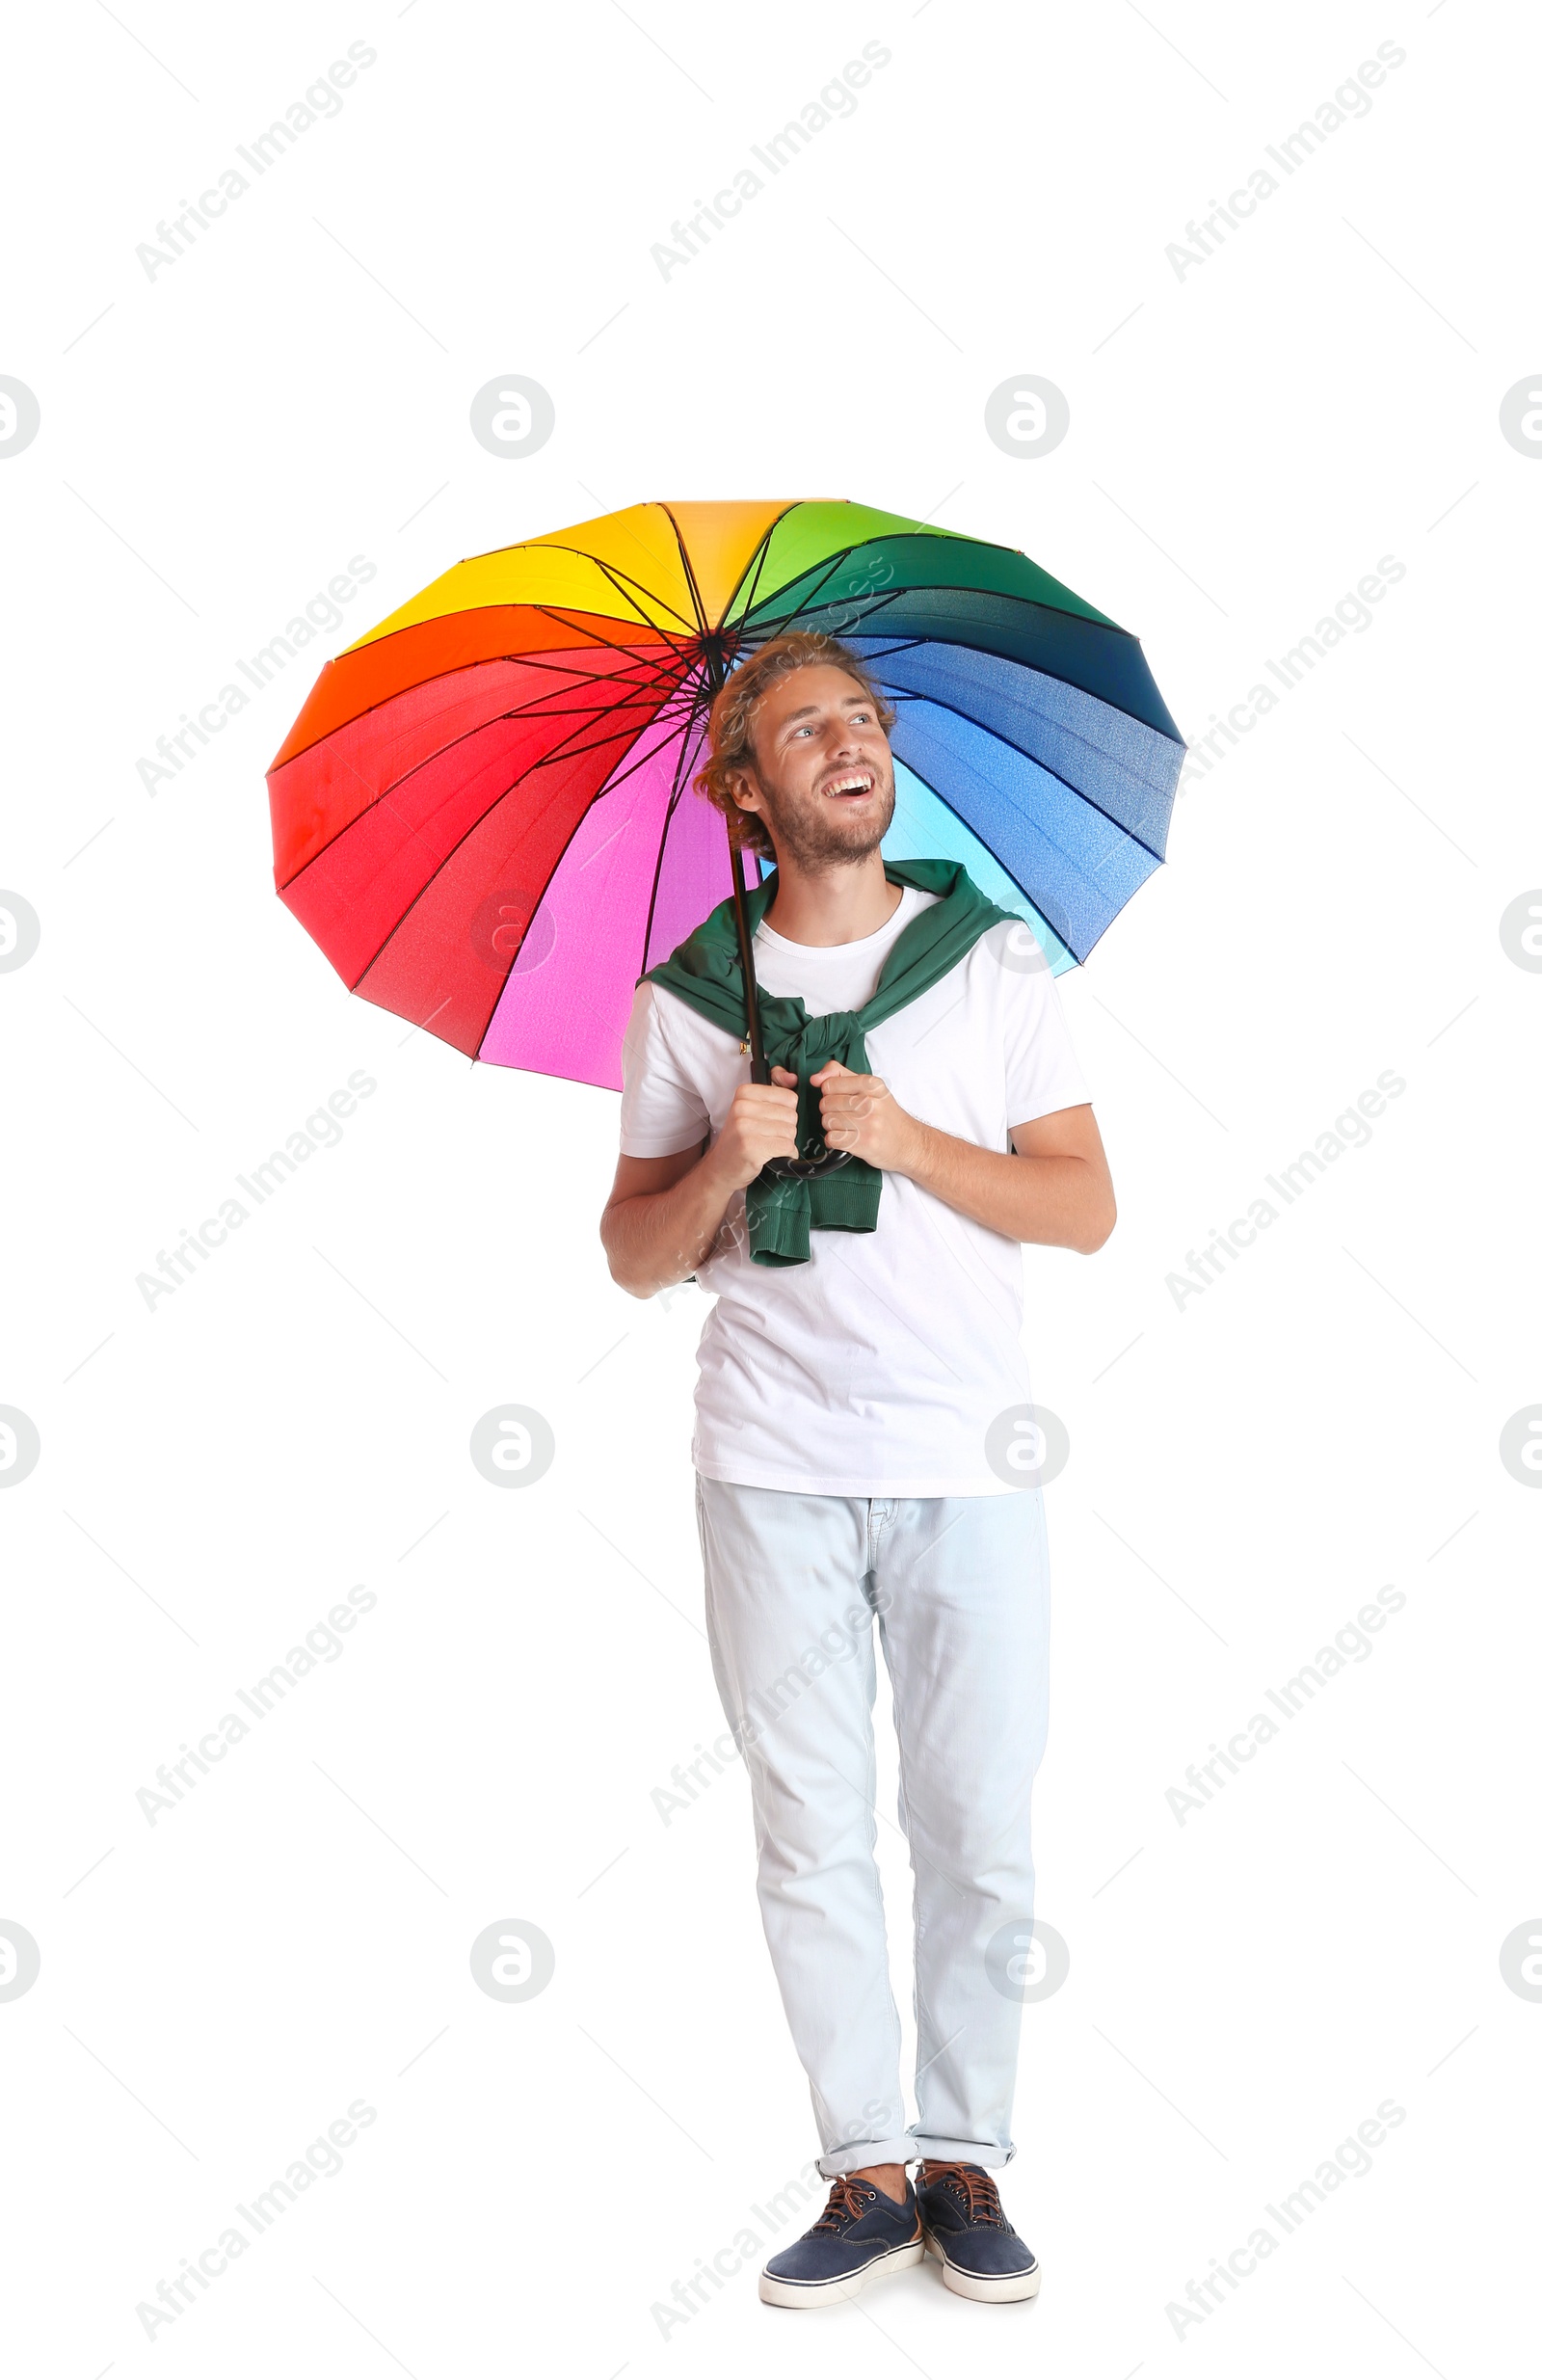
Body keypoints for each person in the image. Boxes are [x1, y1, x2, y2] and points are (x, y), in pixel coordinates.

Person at [599, 630, 1115, 2310]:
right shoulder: (686, 1002)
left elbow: (1083, 1204)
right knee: (807, 1822)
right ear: (740, 785)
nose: (849, 743)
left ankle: (969, 2155)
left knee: (977, 1819)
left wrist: (905, 1140)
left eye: (864, 720)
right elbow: (632, 1252)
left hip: (969, 1460)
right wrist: (720, 1168)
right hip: (769, 1464)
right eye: (803, 727)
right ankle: (863, 2166)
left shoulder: (992, 971)